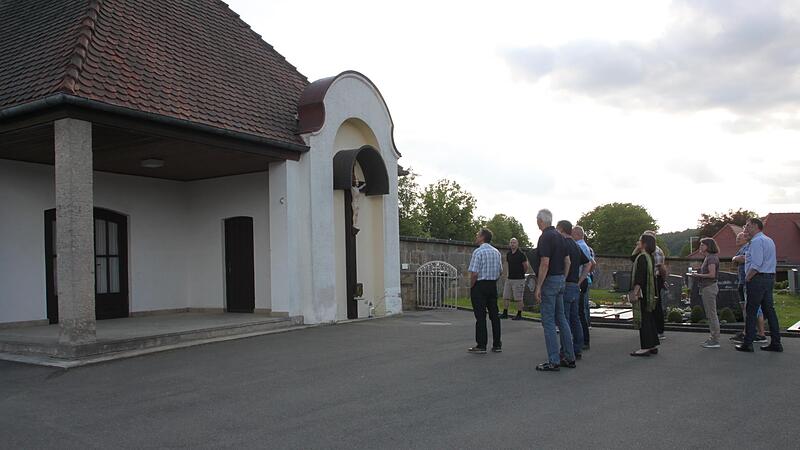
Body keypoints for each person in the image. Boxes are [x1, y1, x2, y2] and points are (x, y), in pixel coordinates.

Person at [533, 209, 575, 371]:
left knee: (548, 322)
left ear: (540, 221)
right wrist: (563, 278)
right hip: (560, 280)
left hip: (550, 281)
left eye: (537, 220)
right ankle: (569, 357)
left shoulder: (545, 237)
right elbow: (568, 262)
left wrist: (538, 286)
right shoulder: (560, 236)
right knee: (562, 319)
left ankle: (553, 360)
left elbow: (544, 262)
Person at [736, 218, 782, 353]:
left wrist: (748, 279)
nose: (746, 228)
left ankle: (748, 343)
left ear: (755, 226)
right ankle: (776, 342)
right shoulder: (769, 240)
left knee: (751, 311)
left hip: (757, 278)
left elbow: (756, 264)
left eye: (748, 226)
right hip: (769, 278)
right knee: (769, 311)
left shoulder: (756, 242)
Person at [558, 220, 591, 360]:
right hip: (574, 286)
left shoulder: (563, 244)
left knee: (564, 319)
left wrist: (563, 279)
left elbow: (566, 262)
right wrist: (579, 281)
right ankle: (577, 348)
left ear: (561, 230)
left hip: (565, 284)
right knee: (575, 318)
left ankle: (566, 350)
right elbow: (588, 263)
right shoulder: (576, 246)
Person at [467, 228, 503, 354]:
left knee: (480, 316)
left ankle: (481, 345)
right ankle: (497, 344)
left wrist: (472, 286)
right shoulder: (496, 252)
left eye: (478, 235)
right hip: (492, 285)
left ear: (482, 237)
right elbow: (500, 271)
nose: (476, 237)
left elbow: (474, 273)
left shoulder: (478, 252)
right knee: (494, 315)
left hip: (480, 286)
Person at [730, 231, 767, 344]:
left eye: (739, 237)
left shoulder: (748, 246)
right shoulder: (741, 249)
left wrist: (736, 258)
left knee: (755, 308)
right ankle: (747, 332)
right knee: (745, 308)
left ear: (745, 238)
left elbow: (745, 259)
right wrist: (736, 258)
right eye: (736, 237)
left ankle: (761, 334)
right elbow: (737, 261)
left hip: (749, 280)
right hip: (742, 280)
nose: (737, 239)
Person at [629, 234, 660, 356]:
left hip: (643, 293)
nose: (637, 242)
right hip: (650, 292)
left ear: (645, 244)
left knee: (644, 320)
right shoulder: (649, 256)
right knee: (649, 318)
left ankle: (645, 346)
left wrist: (634, 293)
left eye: (640, 241)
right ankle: (652, 344)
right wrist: (638, 247)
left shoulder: (642, 258)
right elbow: (632, 257)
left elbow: (639, 278)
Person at [690, 237, 721, 348]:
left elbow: (712, 274)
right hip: (707, 287)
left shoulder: (711, 258)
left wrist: (697, 275)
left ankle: (715, 339)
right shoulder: (709, 258)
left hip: (709, 287)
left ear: (708, 246)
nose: (700, 247)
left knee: (711, 314)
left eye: (702, 245)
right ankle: (713, 337)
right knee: (710, 313)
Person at [571, 226, 595, 350]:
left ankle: (583, 340)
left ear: (576, 234)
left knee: (578, 313)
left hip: (579, 281)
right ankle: (584, 340)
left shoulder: (579, 246)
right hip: (583, 280)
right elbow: (592, 263)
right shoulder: (585, 247)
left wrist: (580, 280)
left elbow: (588, 264)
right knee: (580, 312)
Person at [501, 238, 528, 320]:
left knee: (518, 298)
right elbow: (506, 265)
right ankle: (505, 313)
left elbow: (526, 266)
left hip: (519, 279)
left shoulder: (521, 254)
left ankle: (519, 314)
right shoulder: (508, 254)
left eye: (514, 242)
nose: (512, 244)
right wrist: (505, 275)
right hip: (510, 278)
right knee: (506, 296)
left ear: (517, 244)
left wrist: (521, 274)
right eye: (511, 242)